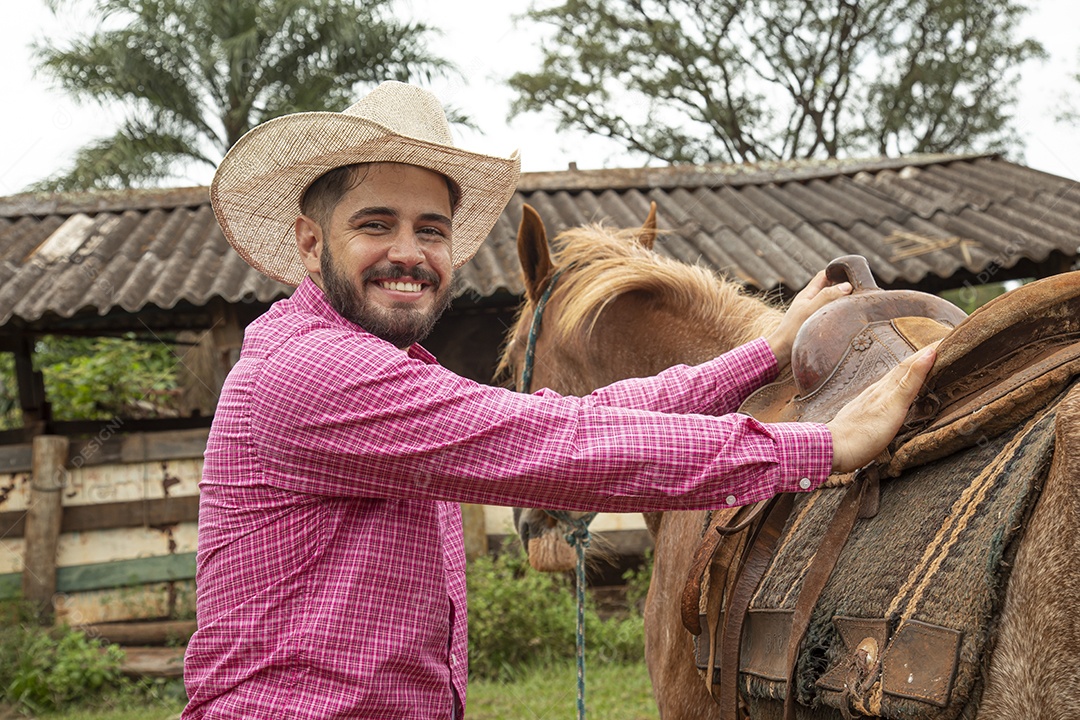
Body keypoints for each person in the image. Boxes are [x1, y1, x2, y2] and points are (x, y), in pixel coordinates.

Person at [181, 81, 936, 719]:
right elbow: (560, 447)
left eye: (431, 230)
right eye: (375, 224)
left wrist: (763, 354)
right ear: (311, 243)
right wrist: (821, 447)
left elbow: (577, 418)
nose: (409, 253)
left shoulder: (359, 363)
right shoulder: (317, 372)